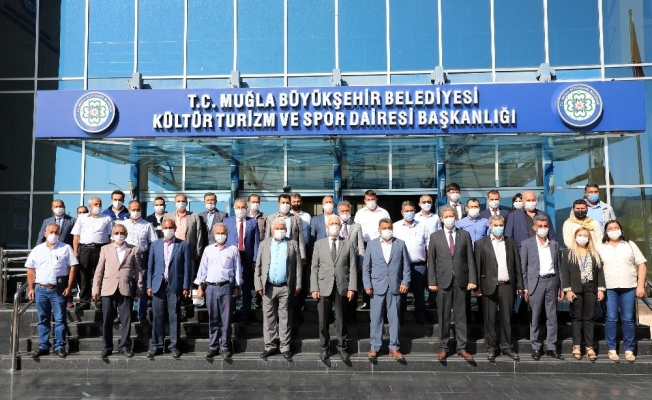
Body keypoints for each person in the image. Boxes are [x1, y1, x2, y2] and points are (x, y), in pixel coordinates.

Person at [428, 205, 477, 361]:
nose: (450, 219)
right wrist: (432, 281)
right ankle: (444, 347)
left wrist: (472, 280)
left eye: (452, 216)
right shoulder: (435, 237)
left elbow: (470, 259)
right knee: (443, 316)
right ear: (441, 219)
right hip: (443, 281)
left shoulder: (465, 235)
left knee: (461, 316)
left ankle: (462, 347)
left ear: (456, 217)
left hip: (461, 281)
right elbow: (432, 261)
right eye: (447, 216)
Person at [474, 215, 523, 362]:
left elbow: (517, 265)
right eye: (495, 225)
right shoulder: (480, 243)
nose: (498, 228)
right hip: (488, 285)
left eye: (501, 225)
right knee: (489, 318)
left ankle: (507, 346)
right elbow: (477, 266)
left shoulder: (511, 242)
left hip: (506, 285)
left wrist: (519, 284)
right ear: (490, 226)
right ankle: (491, 347)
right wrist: (477, 286)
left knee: (507, 318)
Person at [597, 220, 647, 363]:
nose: (613, 230)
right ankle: (612, 349)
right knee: (611, 317)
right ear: (606, 231)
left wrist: (640, 285)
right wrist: (599, 288)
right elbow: (596, 269)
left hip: (629, 287)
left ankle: (629, 349)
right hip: (609, 288)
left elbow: (642, 265)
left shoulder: (630, 245)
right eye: (610, 228)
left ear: (621, 229)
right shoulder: (601, 247)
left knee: (628, 319)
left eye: (616, 227)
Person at [27, 224, 78, 359]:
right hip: (41, 289)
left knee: (60, 319)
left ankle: (60, 346)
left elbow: (73, 268)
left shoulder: (66, 248)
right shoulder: (37, 250)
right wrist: (31, 288)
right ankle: (43, 346)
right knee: (43, 319)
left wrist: (69, 287)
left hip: (58, 290)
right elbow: (31, 269)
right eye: (51, 232)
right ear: (45, 234)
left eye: (56, 232)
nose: (53, 234)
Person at [363, 218, 411, 361]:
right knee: (376, 318)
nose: (387, 230)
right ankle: (375, 347)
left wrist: (405, 282)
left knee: (394, 318)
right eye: (384, 228)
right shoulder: (371, 245)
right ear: (379, 229)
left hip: (395, 286)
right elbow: (366, 267)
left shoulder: (400, 244)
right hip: (376, 287)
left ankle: (394, 347)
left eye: (389, 227)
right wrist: (367, 284)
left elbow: (406, 266)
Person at [311, 215, 357, 361]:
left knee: (341, 319)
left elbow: (353, 267)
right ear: (327, 226)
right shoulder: (319, 244)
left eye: (337, 223)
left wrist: (352, 288)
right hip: (323, 286)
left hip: (342, 285)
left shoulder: (348, 243)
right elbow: (314, 268)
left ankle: (342, 347)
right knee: (323, 320)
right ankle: (325, 347)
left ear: (341, 226)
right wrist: (314, 288)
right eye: (332, 224)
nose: (335, 226)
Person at [255, 218, 303, 361]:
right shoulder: (264, 244)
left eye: (283, 228)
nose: (280, 230)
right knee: (268, 318)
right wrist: (258, 285)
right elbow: (258, 266)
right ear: (272, 230)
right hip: (268, 287)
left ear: (286, 230)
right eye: (277, 228)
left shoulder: (292, 244)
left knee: (285, 318)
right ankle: (269, 346)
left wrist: (298, 284)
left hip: (285, 287)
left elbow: (298, 266)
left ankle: (285, 346)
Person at [92, 224, 142, 358]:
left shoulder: (133, 249)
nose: (119, 235)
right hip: (109, 288)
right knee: (107, 319)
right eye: (117, 233)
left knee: (126, 319)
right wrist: (96, 288)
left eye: (122, 233)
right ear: (112, 235)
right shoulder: (105, 249)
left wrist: (139, 287)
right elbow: (99, 270)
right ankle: (107, 347)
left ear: (126, 234)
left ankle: (124, 346)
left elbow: (138, 271)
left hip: (126, 287)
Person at [147, 219, 193, 359]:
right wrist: (149, 285)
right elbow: (150, 267)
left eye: (170, 227)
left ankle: (174, 346)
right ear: (162, 229)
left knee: (174, 316)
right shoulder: (155, 245)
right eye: (166, 227)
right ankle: (157, 345)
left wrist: (186, 286)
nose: (168, 230)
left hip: (175, 285)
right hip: (158, 285)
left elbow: (187, 268)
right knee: (157, 317)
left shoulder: (184, 245)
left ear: (175, 228)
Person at [195, 223, 242, 360]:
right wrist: (200, 287)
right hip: (211, 288)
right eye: (218, 233)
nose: (220, 235)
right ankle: (213, 346)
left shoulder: (233, 249)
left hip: (227, 287)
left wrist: (237, 286)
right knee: (213, 319)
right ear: (214, 234)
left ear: (227, 234)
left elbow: (237, 270)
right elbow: (202, 269)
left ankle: (225, 347)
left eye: (223, 233)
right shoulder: (208, 249)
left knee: (226, 320)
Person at [520, 215, 563, 360]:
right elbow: (523, 268)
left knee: (552, 316)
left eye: (545, 226)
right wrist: (525, 288)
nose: (543, 229)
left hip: (552, 281)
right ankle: (536, 347)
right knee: (535, 316)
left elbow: (558, 267)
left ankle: (551, 346)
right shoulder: (527, 244)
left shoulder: (554, 244)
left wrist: (561, 287)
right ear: (534, 228)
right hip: (535, 283)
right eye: (540, 226)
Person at [561, 227, 605, 361]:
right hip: (575, 289)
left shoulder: (595, 253)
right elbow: (565, 273)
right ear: (575, 237)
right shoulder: (569, 254)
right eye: (580, 235)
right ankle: (576, 346)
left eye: (585, 235)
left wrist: (601, 289)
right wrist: (567, 290)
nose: (582, 238)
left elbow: (600, 272)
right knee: (577, 317)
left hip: (591, 288)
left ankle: (589, 346)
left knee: (589, 318)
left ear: (589, 238)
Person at [72, 197, 113, 311]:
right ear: (89, 205)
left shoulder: (107, 218)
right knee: (84, 275)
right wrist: (75, 251)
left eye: (99, 204)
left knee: (100, 274)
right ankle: (84, 301)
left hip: (101, 248)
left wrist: (110, 252)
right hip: (85, 249)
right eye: (95, 204)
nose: (97, 206)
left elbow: (111, 236)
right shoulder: (82, 218)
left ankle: (99, 301)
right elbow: (76, 236)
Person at [121, 200, 158, 325]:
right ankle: (123, 314)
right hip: (125, 257)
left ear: (141, 210)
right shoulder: (123, 224)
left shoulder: (147, 225)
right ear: (129, 210)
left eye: (138, 209)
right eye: (133, 209)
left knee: (141, 286)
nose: (136, 211)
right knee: (125, 285)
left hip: (142, 257)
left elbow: (154, 243)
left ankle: (141, 314)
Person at [224, 198, 260, 323]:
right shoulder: (227, 221)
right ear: (234, 208)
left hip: (246, 258)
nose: (240, 210)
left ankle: (246, 314)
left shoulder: (253, 222)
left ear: (247, 208)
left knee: (246, 287)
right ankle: (231, 313)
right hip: (231, 258)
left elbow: (256, 242)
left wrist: (255, 260)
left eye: (243, 207)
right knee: (231, 285)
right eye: (238, 207)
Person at [36, 199, 77, 308]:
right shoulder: (47, 221)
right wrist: (38, 250)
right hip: (50, 251)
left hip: (65, 251)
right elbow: (41, 236)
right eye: (56, 206)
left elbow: (75, 238)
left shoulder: (72, 221)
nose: (59, 208)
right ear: (52, 208)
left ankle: (69, 298)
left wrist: (75, 251)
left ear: (64, 207)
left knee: (66, 274)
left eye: (61, 206)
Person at [393, 200, 428, 325]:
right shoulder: (395, 227)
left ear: (415, 211)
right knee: (401, 293)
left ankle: (420, 318)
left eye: (411, 210)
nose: (409, 213)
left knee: (419, 294)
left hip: (419, 266)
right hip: (401, 266)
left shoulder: (422, 226)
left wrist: (428, 263)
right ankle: (400, 319)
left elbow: (427, 246)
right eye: (406, 211)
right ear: (402, 212)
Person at [354, 189, 390, 309]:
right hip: (364, 244)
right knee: (365, 270)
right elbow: (356, 231)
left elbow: (388, 227)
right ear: (364, 200)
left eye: (372, 199)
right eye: (368, 199)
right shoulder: (360, 213)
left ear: (376, 199)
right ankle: (366, 300)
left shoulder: (383, 212)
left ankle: (380, 298)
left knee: (379, 270)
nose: (371, 202)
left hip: (380, 244)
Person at [338, 200, 366, 323]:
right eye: (343, 211)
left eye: (347, 211)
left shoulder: (356, 226)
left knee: (353, 288)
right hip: (339, 263)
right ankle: (340, 316)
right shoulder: (335, 224)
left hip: (353, 263)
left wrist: (361, 262)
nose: (345, 213)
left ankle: (352, 316)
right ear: (338, 212)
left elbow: (360, 246)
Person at [264, 193, 307, 262]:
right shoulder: (271, 218)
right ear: (278, 204)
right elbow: (267, 237)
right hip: (275, 252)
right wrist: (266, 255)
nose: (285, 205)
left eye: (287, 203)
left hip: (291, 252)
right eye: (283, 202)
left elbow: (300, 239)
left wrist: (303, 257)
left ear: (290, 204)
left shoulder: (297, 219)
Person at [415, 194, 440, 310]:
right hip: (420, 250)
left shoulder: (436, 218)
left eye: (429, 202)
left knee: (433, 275)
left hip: (433, 250)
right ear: (419, 204)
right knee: (420, 277)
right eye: (424, 202)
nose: (426, 204)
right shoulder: (415, 217)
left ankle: (432, 300)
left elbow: (439, 233)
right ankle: (418, 301)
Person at [164, 193, 203, 266]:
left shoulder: (194, 216)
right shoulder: (167, 216)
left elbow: (198, 234)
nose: (181, 203)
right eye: (178, 201)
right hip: (172, 248)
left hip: (189, 249)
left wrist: (198, 251)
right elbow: (164, 233)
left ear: (187, 203)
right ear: (174, 203)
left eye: (183, 201)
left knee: (188, 270)